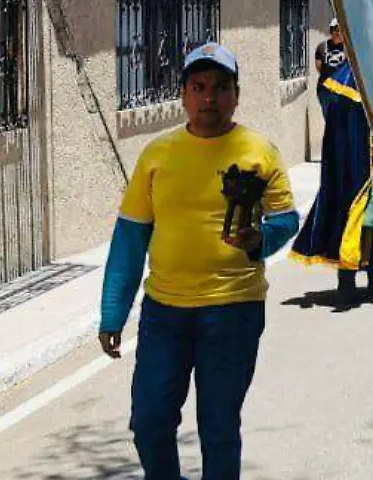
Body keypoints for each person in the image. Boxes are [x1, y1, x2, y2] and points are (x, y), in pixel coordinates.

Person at [98, 44, 300, 480]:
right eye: (199, 87)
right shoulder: (158, 154)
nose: (209, 97)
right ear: (184, 95)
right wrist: (113, 312)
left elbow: (287, 219)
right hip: (165, 314)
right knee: (150, 422)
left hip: (234, 311)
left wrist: (259, 240)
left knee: (219, 429)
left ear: (236, 95)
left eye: (221, 88)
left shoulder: (258, 151)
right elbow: (130, 238)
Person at [293, 34, 373, 303]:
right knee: (351, 218)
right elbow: (334, 119)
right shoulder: (342, 80)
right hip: (355, 164)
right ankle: (346, 279)